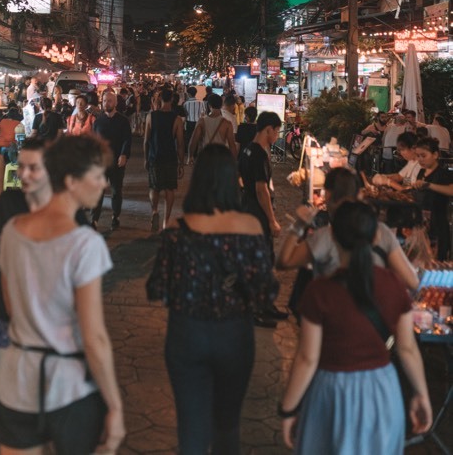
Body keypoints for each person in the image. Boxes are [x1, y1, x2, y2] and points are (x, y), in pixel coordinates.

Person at [0, 134, 125, 455]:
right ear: (71, 181)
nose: (103, 184)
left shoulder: (12, 231)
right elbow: (94, 335)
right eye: (96, 176)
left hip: (17, 381)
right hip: (69, 388)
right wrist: (114, 405)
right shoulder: (84, 243)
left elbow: (11, 306)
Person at [146, 144, 279, 455]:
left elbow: (157, 289)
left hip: (186, 333)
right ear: (233, 179)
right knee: (227, 426)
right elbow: (266, 292)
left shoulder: (178, 229)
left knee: (191, 428)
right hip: (233, 334)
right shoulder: (249, 227)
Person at [279, 201, 432, 453]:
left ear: (334, 237)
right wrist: (421, 394)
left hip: (331, 390)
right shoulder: (393, 285)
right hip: (383, 390)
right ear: (375, 237)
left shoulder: (319, 291)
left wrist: (288, 409)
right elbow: (407, 349)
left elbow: (307, 358)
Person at [0, 139, 53, 427]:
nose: (24, 174)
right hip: (2, 313)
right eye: (21, 166)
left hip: (43, 317)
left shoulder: (62, 208)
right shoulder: (8, 201)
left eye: (33, 167)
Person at [277, 168, 419, 290]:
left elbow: (284, 262)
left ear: (328, 194)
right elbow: (412, 281)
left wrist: (299, 225)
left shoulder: (325, 236)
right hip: (372, 316)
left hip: (333, 314)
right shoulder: (382, 231)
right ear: (359, 195)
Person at [239, 111, 282, 257]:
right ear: (268, 129)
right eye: (276, 131)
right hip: (258, 211)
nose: (277, 135)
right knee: (262, 254)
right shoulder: (259, 155)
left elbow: (239, 178)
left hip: (247, 206)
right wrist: (272, 220)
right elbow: (261, 189)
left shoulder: (247, 149)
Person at [144, 87, 185, 232]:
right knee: (169, 189)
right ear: (173, 100)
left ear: (160, 99)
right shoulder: (177, 119)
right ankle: (166, 221)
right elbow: (180, 144)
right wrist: (181, 163)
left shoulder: (151, 116)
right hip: (170, 157)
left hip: (155, 156)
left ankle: (154, 210)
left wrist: (146, 158)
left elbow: (146, 140)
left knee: (154, 187)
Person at [91, 90, 132, 231]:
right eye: (104, 101)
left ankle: (116, 215)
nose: (106, 103)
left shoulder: (123, 121)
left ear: (115, 102)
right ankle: (94, 219)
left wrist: (124, 154)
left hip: (116, 162)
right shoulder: (98, 121)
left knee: (116, 191)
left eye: (109, 101)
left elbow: (127, 139)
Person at [413, 136, 453, 260]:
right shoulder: (421, 172)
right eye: (418, 156)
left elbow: (451, 190)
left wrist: (429, 185)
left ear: (435, 154)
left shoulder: (443, 173)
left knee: (436, 262)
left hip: (438, 225)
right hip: (422, 225)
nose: (420, 159)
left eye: (423, 156)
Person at [187, 93, 237, 162]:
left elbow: (193, 141)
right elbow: (232, 145)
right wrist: (233, 163)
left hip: (205, 157)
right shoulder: (227, 123)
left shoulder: (202, 121)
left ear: (209, 105)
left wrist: (190, 156)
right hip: (220, 158)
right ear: (221, 105)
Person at [182, 86, 205, 152]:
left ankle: (189, 153)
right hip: (198, 123)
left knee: (189, 138)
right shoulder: (201, 102)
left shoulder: (185, 104)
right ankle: (195, 153)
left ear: (188, 94)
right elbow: (203, 114)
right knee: (198, 138)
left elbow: (184, 115)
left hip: (189, 123)